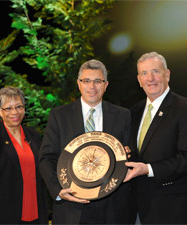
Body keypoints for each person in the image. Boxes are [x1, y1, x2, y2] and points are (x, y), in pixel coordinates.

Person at [39, 59, 135, 224]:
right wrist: (59, 190)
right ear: (79, 84)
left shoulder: (123, 115)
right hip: (72, 209)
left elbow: (130, 154)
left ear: (105, 85)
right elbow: (46, 158)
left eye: (98, 81)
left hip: (112, 210)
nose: (92, 86)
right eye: (87, 81)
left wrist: (128, 153)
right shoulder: (59, 116)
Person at [124, 52, 187, 224]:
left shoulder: (186, 108)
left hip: (171, 209)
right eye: (144, 73)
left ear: (167, 74)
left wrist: (148, 169)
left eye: (155, 71)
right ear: (139, 80)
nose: (150, 78)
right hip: (137, 208)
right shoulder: (133, 112)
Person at [0, 86, 48, 224]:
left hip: (36, 215)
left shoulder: (33, 135)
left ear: (24, 108)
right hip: (4, 218)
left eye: (19, 106)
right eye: (8, 108)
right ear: (0, 111)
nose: (15, 112)